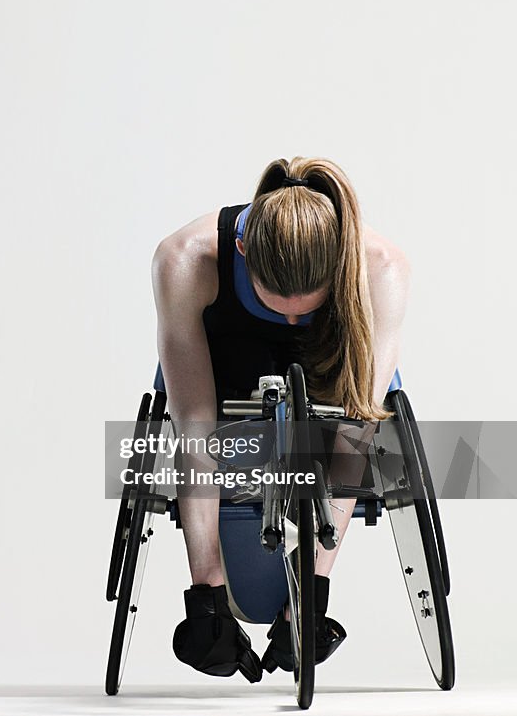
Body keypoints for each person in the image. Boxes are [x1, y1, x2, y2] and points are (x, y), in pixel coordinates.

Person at [151, 157, 409, 681]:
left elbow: (355, 430)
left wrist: (311, 599)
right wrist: (207, 595)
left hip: (329, 369)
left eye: (303, 310)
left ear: (338, 262)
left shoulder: (380, 266)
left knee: (357, 425)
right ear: (243, 253)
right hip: (223, 370)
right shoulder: (184, 259)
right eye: (279, 307)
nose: (290, 321)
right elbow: (195, 427)